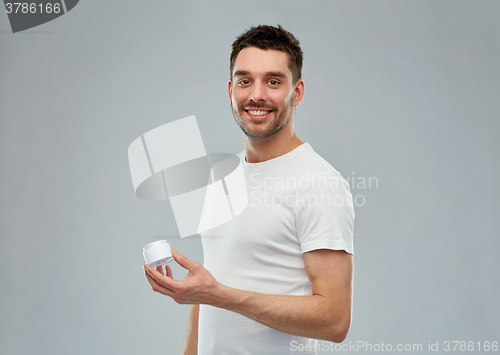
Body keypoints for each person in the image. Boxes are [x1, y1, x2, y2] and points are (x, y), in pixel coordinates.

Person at [143, 25, 355, 355]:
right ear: (230, 90)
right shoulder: (222, 177)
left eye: (273, 81)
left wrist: (217, 294)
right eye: (245, 81)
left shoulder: (320, 183)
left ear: (296, 92)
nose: (256, 94)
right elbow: (208, 290)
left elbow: (335, 320)